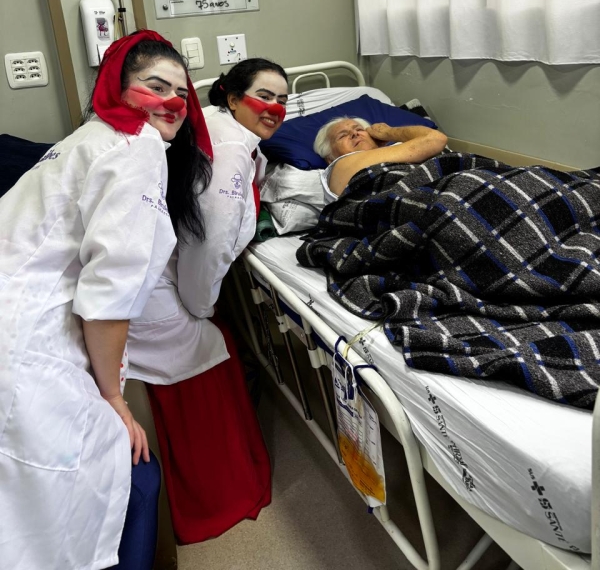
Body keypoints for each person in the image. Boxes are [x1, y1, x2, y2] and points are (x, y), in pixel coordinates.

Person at [0, 30, 212, 570]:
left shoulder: (86, 138)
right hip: (24, 343)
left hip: (17, 317)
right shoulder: (136, 148)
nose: (172, 102)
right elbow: (108, 298)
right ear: (118, 87)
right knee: (116, 477)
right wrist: (114, 399)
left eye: (182, 94)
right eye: (155, 86)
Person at [127, 57, 289, 544]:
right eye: (264, 96)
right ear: (232, 98)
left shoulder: (219, 126)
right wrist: (202, 310)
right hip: (167, 286)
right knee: (212, 360)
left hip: (160, 270)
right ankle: (218, 497)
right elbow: (211, 242)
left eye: (283, 100)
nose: (275, 108)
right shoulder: (232, 154)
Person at [314, 117, 448, 201]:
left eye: (359, 129)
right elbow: (436, 139)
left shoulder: (399, 147)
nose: (354, 133)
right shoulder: (341, 165)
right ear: (330, 158)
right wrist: (388, 132)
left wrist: (384, 138)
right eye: (342, 136)